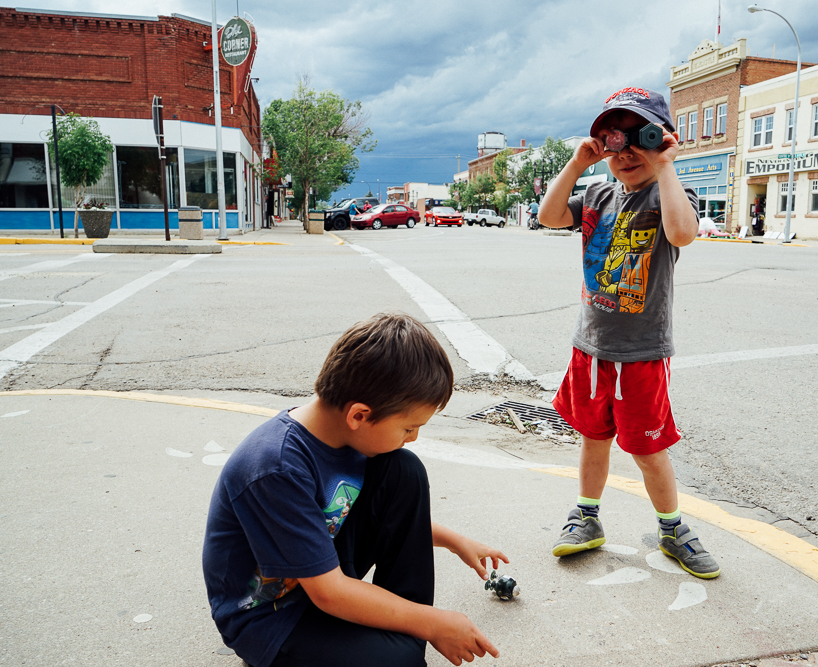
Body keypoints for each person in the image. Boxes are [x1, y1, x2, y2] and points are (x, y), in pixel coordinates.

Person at [203, 313, 508, 667]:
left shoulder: (345, 436)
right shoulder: (277, 467)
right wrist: (435, 623)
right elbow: (330, 594)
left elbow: (359, 516)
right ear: (359, 415)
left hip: (319, 578)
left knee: (403, 470)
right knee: (402, 659)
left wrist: (454, 541)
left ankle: (400, 633)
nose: (414, 438)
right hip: (272, 616)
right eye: (409, 428)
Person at [537, 87, 719, 579]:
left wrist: (666, 166)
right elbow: (549, 216)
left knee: (646, 447)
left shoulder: (670, 193)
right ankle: (586, 516)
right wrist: (577, 164)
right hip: (591, 347)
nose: (626, 153)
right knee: (593, 438)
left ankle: (672, 527)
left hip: (641, 351)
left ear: (662, 140)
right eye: (614, 141)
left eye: (640, 137)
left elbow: (682, 234)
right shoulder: (596, 193)